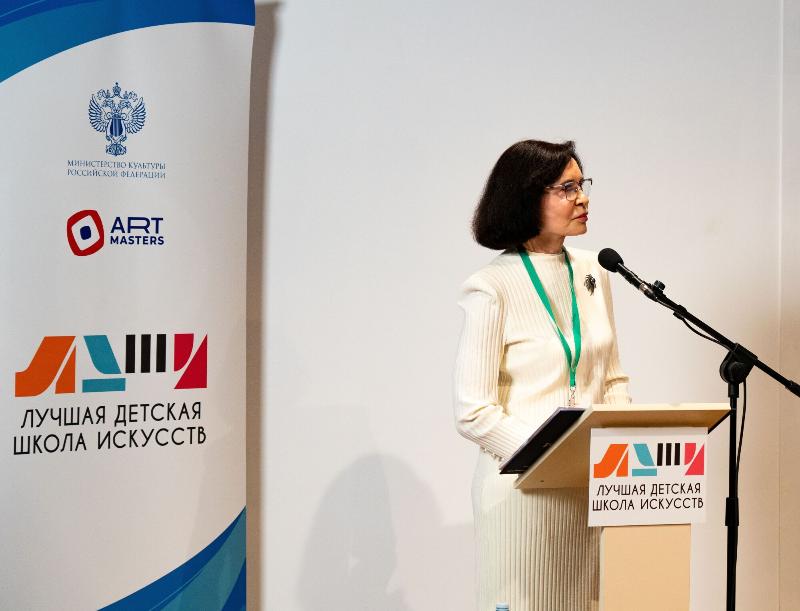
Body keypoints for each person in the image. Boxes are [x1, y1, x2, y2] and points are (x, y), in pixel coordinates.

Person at [454, 139, 631, 611]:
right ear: (528, 198)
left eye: (582, 184)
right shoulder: (490, 286)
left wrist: (619, 452)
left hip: (587, 486)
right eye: (567, 188)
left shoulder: (595, 271)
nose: (583, 197)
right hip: (521, 490)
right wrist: (550, 454)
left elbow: (612, 379)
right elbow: (473, 411)